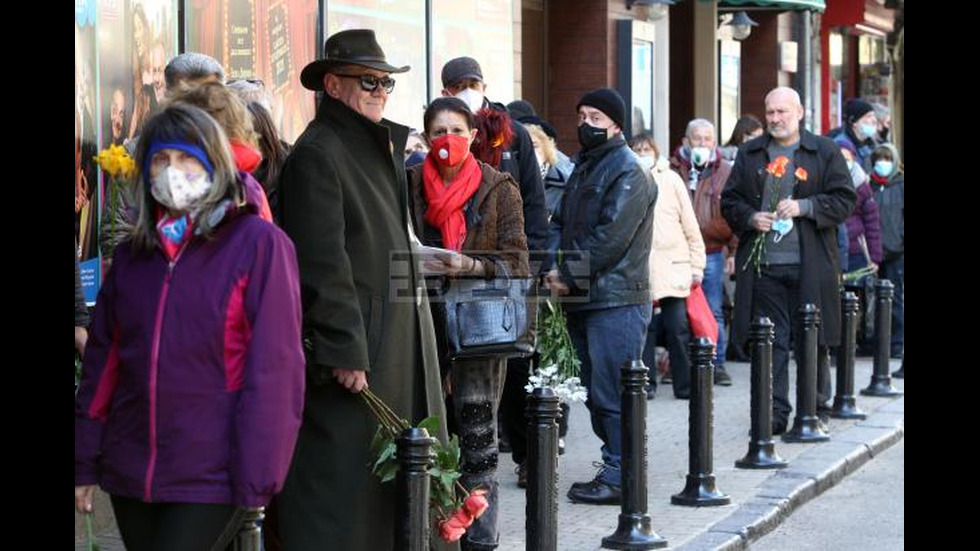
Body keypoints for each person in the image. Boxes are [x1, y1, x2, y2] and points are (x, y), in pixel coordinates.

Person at [74, 103, 305, 549]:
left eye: (187, 159)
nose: (172, 172)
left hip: (212, 472)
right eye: (161, 159)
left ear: (215, 165)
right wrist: (84, 459)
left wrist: (260, 472)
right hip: (131, 469)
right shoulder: (132, 258)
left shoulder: (258, 246)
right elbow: (104, 366)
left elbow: (275, 368)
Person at [274, 29, 446, 550]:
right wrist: (345, 348)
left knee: (400, 479)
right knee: (346, 490)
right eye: (368, 80)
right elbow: (322, 264)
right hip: (359, 358)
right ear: (332, 84)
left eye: (387, 82)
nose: (380, 90)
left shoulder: (373, 146)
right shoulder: (319, 153)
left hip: (394, 339)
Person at [408, 97, 528, 550]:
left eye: (457, 130)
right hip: (423, 325)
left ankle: (480, 541)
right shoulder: (410, 184)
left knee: (478, 446)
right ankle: (437, 535)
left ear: (474, 136)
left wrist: (469, 266)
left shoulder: (499, 187)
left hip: (479, 332)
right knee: (430, 440)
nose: (447, 141)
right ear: (425, 137)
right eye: (438, 132)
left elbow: (517, 263)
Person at [722, 87, 856, 434]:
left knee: (813, 340)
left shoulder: (824, 150)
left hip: (811, 265)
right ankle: (773, 414)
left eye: (782, 111)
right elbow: (730, 201)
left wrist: (805, 207)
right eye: (770, 112)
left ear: (799, 112)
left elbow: (845, 199)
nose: (776, 119)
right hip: (765, 267)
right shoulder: (751, 152)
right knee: (771, 343)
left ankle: (813, 412)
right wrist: (751, 217)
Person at [545, 88, 656, 505]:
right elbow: (562, 223)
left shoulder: (628, 170)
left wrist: (567, 274)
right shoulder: (586, 167)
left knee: (613, 392)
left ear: (616, 124)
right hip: (586, 298)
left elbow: (611, 238)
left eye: (595, 117)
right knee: (595, 390)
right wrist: (553, 269)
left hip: (617, 300)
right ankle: (616, 468)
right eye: (582, 115)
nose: (585, 123)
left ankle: (621, 475)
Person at [633, 134, 706, 399]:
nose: (642, 153)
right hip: (641, 269)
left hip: (674, 267)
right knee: (645, 329)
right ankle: (646, 383)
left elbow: (690, 224)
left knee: (678, 328)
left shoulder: (672, 179)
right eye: (637, 149)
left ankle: (685, 385)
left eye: (646, 149)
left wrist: (697, 265)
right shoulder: (628, 178)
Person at [670, 119, 736, 385]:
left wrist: (732, 250)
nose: (702, 144)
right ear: (686, 141)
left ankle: (716, 363)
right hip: (677, 252)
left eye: (708, 139)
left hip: (711, 250)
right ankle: (682, 365)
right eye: (697, 138)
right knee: (677, 312)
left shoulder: (725, 171)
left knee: (712, 308)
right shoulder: (672, 169)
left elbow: (734, 213)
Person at [868, 143, 904, 359]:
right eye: (879, 159)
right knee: (869, 298)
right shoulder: (869, 185)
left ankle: (897, 341)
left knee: (895, 298)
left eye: (887, 159)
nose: (883, 164)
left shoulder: (900, 184)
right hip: (871, 253)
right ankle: (874, 340)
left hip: (895, 252)